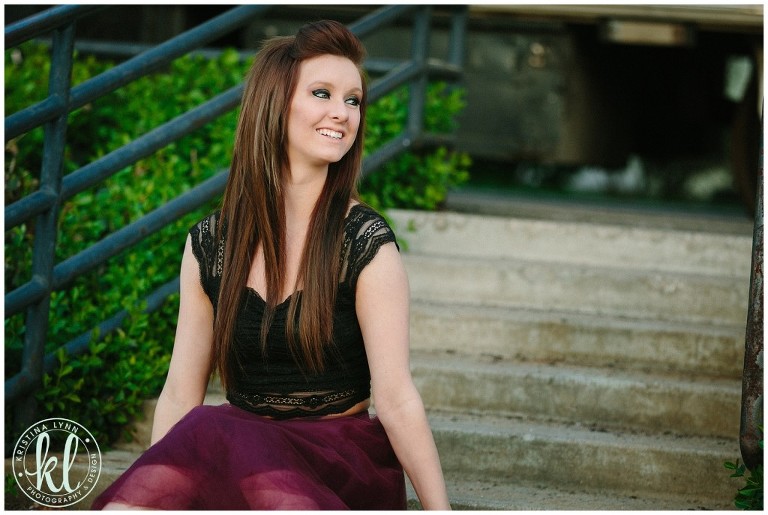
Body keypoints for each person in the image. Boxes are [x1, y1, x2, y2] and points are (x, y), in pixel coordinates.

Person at [92, 19, 450, 510]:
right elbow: (179, 393)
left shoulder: (365, 243)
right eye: (322, 93)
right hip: (239, 449)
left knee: (232, 445)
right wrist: (160, 482)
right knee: (171, 466)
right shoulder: (211, 245)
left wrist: (439, 509)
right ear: (276, 103)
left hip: (338, 459)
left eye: (353, 100)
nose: (342, 113)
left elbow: (396, 399)